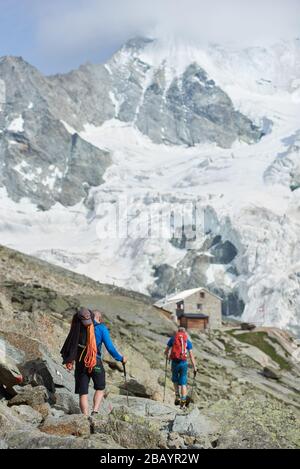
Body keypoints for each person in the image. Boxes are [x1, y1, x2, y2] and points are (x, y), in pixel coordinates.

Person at [61, 308, 127, 416]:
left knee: (83, 392)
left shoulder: (80, 327)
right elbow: (110, 348)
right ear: (99, 319)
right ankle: (95, 411)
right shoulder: (101, 328)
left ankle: (85, 416)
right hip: (95, 362)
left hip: (81, 362)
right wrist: (120, 358)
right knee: (100, 388)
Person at [165, 327, 197, 408]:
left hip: (175, 363)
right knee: (183, 382)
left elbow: (166, 351)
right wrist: (194, 367)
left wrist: (168, 356)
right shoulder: (187, 341)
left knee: (175, 379)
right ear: (185, 332)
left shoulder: (173, 339)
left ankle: (177, 396)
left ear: (178, 332)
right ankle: (183, 399)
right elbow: (191, 355)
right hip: (184, 363)